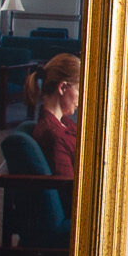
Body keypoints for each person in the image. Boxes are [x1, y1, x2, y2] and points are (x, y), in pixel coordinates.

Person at [24, 52, 80, 180]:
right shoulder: (54, 135)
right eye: (79, 89)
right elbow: (68, 188)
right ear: (62, 88)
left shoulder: (61, 122)